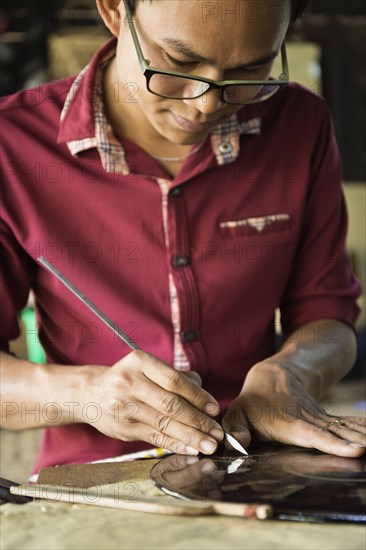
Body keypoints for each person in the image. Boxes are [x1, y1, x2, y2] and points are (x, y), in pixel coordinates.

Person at [1, 0, 365, 473]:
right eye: (179, 61)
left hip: (257, 472)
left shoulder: (299, 124)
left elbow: (328, 317)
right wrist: (88, 394)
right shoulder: (12, 144)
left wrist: (288, 375)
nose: (206, 103)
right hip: (96, 487)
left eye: (251, 69)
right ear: (115, 11)